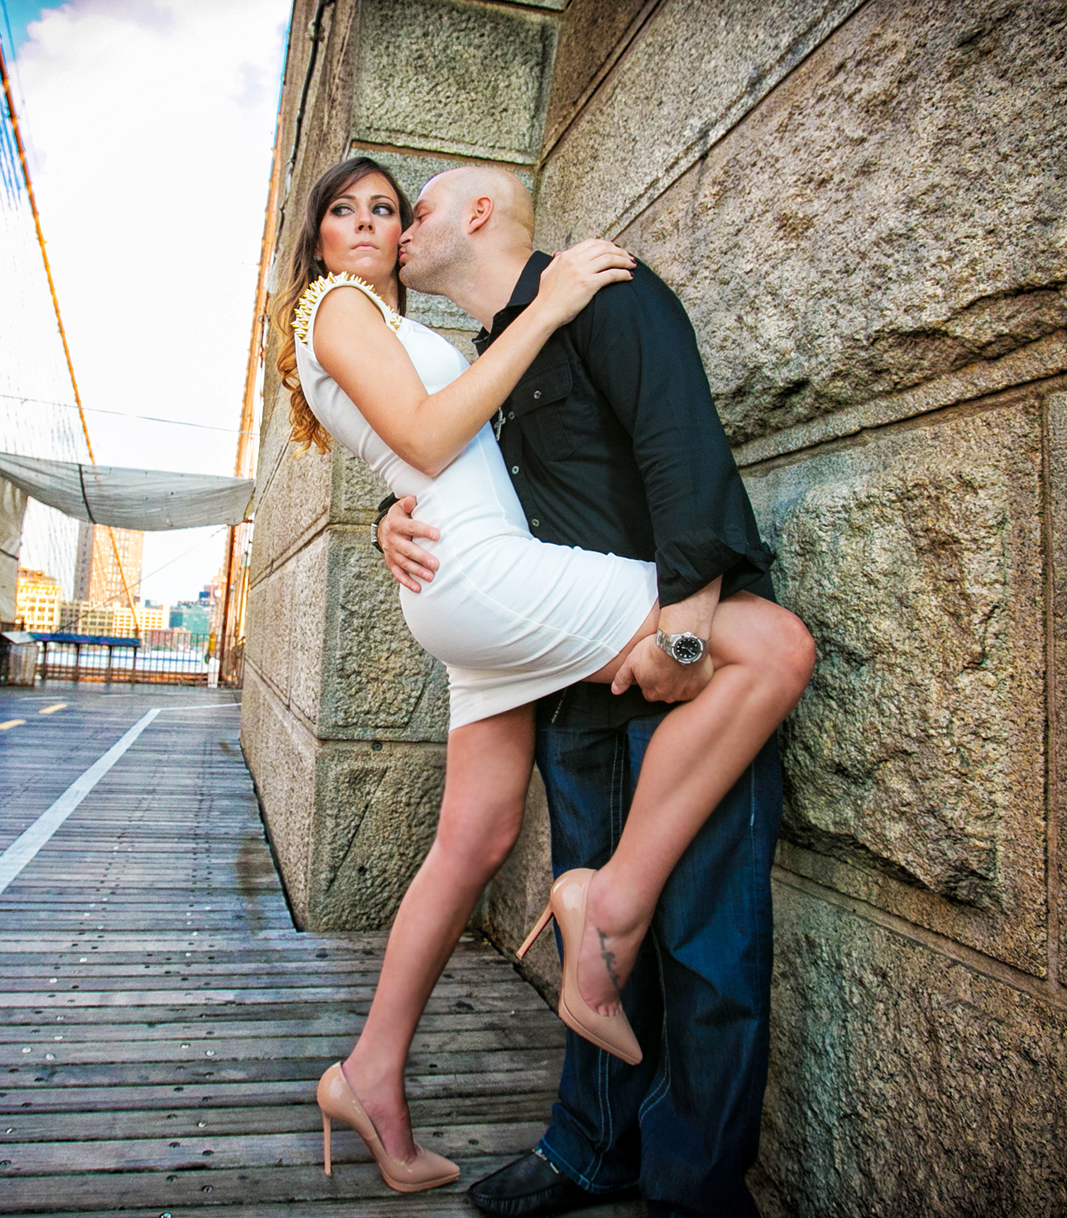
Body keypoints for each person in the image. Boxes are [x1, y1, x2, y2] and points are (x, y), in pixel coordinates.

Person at [274, 156, 814, 1206]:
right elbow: (432, 444)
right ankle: (595, 1061)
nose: (380, 224)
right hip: (519, 610)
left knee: (499, 848)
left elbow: (662, 447)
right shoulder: (376, 314)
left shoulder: (591, 296)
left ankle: (378, 1074)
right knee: (770, 657)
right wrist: (397, 509)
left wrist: (692, 608)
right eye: (349, 210)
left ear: (471, 214)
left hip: (576, 624)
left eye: (394, 207)